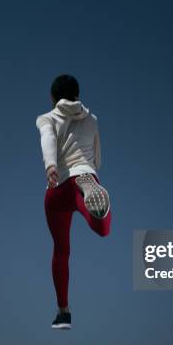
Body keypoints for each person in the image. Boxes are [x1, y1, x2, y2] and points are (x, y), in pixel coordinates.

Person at [36, 74, 112, 329]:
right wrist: (87, 170)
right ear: (78, 94)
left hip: (58, 188)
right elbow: (98, 159)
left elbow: (47, 137)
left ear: (52, 98)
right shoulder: (92, 119)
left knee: (61, 250)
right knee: (102, 229)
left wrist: (51, 166)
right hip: (85, 178)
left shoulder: (47, 118)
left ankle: (63, 312)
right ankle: (91, 196)